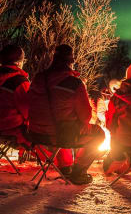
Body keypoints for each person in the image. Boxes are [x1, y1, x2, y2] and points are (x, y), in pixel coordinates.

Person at [28, 44, 104, 184]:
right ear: (71, 62)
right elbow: (86, 117)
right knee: (98, 133)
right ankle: (78, 171)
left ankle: (65, 166)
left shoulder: (38, 79)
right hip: (59, 135)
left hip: (35, 133)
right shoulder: (74, 83)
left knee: (64, 125)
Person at [0, 45, 31, 151]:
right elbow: (29, 111)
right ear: (18, 63)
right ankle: (65, 166)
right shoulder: (20, 82)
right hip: (11, 129)